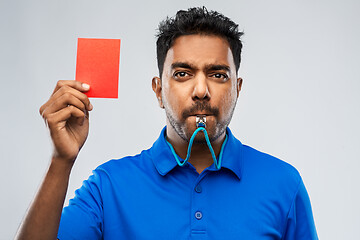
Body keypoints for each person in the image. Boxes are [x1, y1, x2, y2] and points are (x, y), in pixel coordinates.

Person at [16, 7, 318, 240]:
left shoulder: (284, 184)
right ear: (159, 90)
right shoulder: (109, 186)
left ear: (238, 88)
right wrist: (61, 160)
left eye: (218, 74)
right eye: (183, 74)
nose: (201, 90)